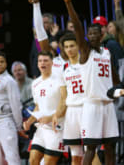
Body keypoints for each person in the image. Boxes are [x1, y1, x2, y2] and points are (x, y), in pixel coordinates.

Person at [58, 0, 119, 165]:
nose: (91, 36)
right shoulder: (85, 52)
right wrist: (69, 3)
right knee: (90, 148)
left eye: (95, 34)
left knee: (111, 147)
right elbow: (77, 26)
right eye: (89, 34)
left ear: (101, 36)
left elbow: (115, 79)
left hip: (108, 104)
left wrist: (119, 90)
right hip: (91, 105)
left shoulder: (107, 52)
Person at [23, 51, 66, 165]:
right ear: (37, 64)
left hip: (56, 128)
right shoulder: (35, 83)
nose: (43, 63)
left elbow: (64, 103)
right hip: (41, 128)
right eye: (40, 61)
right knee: (32, 160)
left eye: (46, 60)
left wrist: (51, 117)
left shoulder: (60, 79)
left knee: (48, 163)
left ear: (52, 63)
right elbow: (38, 106)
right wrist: (29, 121)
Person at [52, 33, 85, 165]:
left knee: (90, 151)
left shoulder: (86, 64)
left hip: (86, 108)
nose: (69, 49)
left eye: (72, 46)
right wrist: (57, 113)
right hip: (71, 111)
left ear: (78, 46)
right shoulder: (63, 69)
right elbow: (64, 97)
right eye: (66, 47)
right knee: (75, 156)